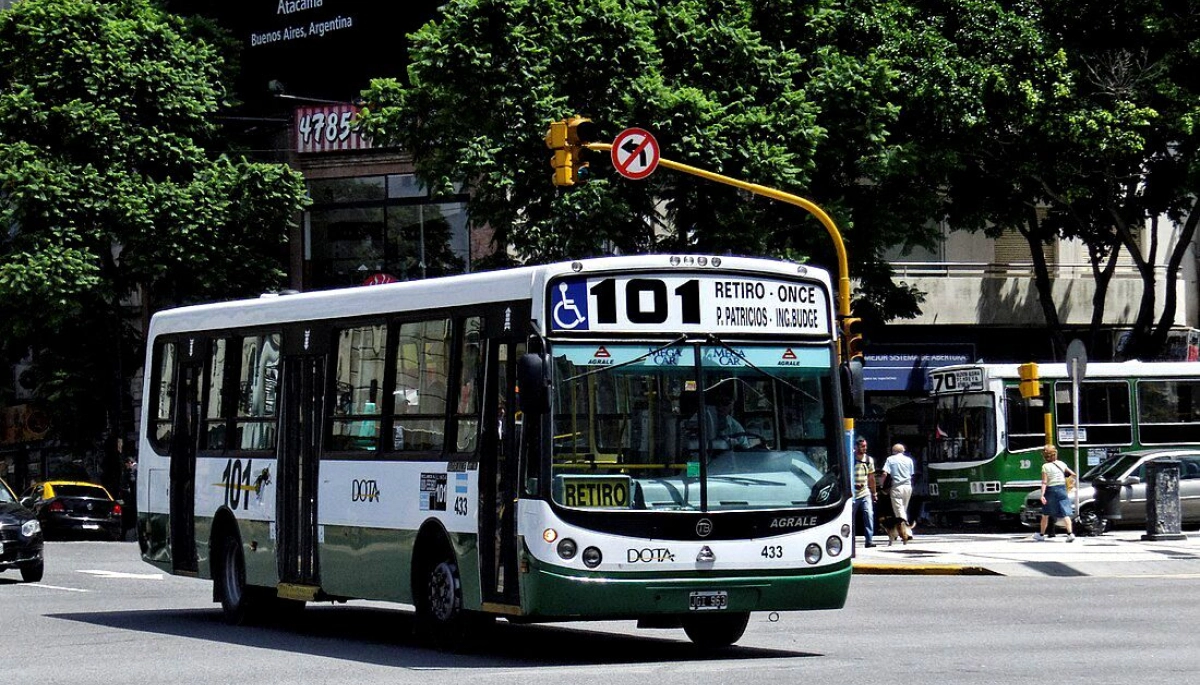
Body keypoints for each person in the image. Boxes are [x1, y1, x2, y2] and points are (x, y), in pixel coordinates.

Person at [1033, 445, 1076, 542]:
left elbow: (1044, 482)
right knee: (1065, 513)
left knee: (1045, 514)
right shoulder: (1062, 464)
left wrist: (1042, 495)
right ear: (1055, 454)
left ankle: (1041, 534)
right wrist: (1069, 481)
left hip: (1051, 490)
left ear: (1045, 456)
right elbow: (1072, 474)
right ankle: (1070, 534)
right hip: (1062, 489)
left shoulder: (1045, 466)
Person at [884, 443, 916, 542]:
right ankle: (899, 532)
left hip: (897, 487)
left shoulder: (890, 459)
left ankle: (907, 533)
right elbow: (911, 474)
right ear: (903, 451)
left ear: (893, 451)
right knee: (903, 509)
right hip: (908, 487)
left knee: (899, 511)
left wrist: (882, 486)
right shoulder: (909, 460)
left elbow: (885, 473)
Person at [853, 438, 878, 548]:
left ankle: (869, 540)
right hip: (852, 494)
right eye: (862, 446)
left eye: (865, 446)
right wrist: (853, 484)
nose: (865, 448)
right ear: (856, 447)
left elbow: (871, 477)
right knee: (849, 517)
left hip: (865, 492)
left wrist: (874, 493)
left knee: (869, 515)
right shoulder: (850, 457)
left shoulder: (869, 459)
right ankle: (849, 539)